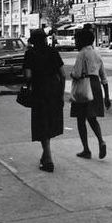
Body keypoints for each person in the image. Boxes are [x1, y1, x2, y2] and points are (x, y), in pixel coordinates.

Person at [24, 29, 65, 173]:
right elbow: (63, 75)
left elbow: (28, 76)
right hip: (54, 90)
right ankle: (45, 156)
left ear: (33, 41)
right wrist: (61, 93)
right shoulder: (53, 52)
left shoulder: (30, 53)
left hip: (39, 91)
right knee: (50, 123)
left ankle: (48, 159)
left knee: (42, 124)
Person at [70, 27, 110, 160]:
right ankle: (101, 140)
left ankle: (86, 149)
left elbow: (76, 74)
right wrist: (107, 97)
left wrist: (72, 74)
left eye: (76, 39)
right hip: (96, 85)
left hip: (84, 86)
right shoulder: (97, 54)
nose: (75, 42)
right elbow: (104, 77)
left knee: (81, 119)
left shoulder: (82, 54)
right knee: (92, 118)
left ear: (81, 41)